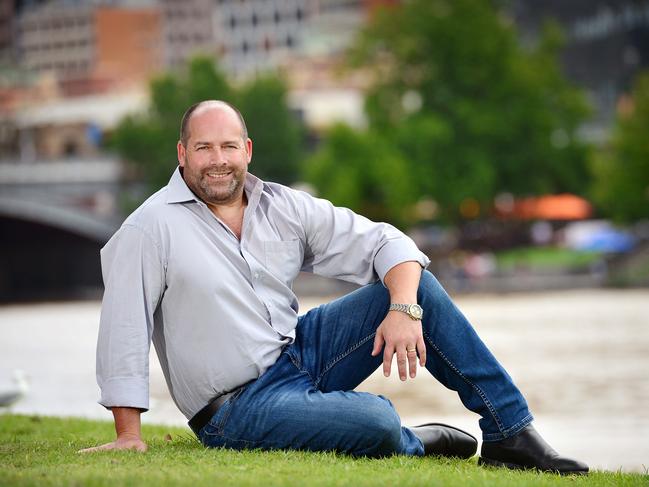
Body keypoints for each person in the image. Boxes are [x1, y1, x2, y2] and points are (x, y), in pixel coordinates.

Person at [80, 100, 588, 474]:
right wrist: (129, 435)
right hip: (235, 407)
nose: (218, 159)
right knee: (378, 420)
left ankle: (509, 434)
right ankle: (413, 440)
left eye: (228, 146)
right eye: (204, 147)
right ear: (183, 154)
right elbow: (124, 325)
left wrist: (404, 308)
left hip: (300, 352)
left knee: (418, 289)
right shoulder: (150, 229)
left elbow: (387, 243)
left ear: (247, 150)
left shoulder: (282, 205)